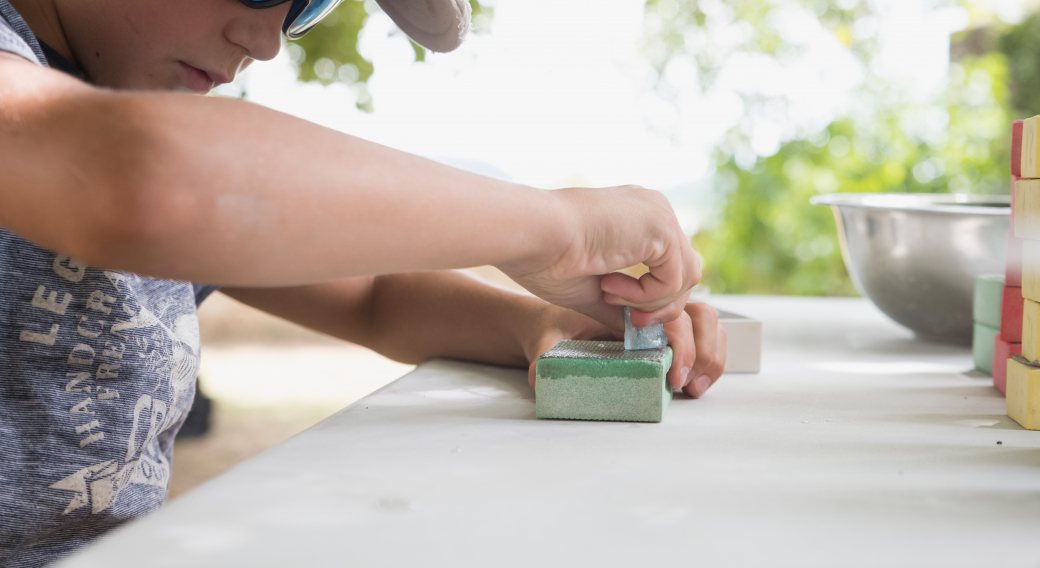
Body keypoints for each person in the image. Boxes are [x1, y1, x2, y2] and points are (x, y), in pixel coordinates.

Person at [0, 0, 726, 564]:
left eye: (306, 7)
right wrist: (555, 227)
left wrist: (550, 325)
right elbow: (152, 178)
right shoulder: (103, 141)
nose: (267, 39)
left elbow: (376, 293)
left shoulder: (134, 114)